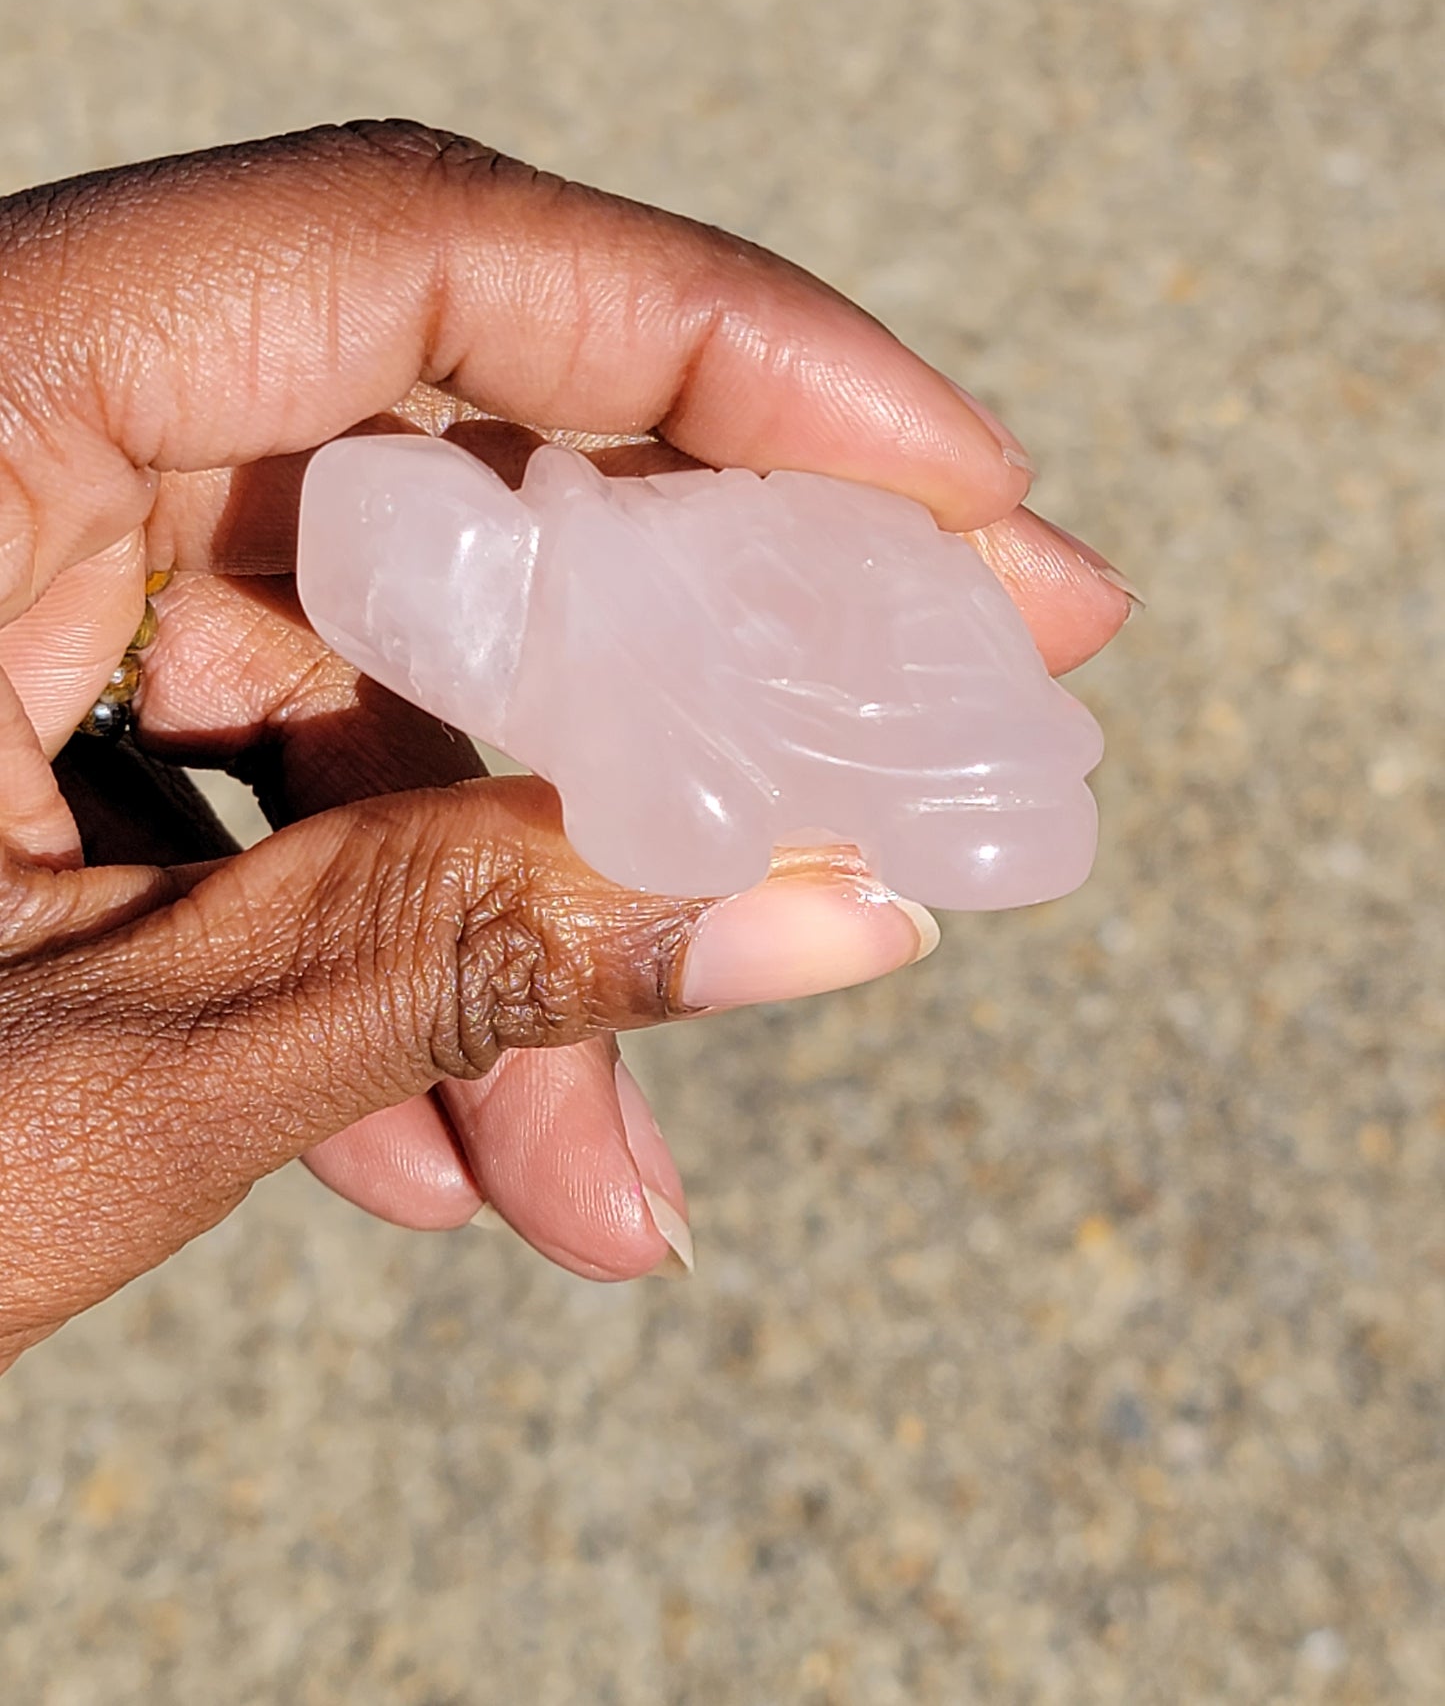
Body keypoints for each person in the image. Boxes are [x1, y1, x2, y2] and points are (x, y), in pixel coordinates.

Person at [0, 121, 1130, 1370]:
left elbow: (677, 806)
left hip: (895, 713)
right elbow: (673, 820)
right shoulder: (583, 610)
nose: (396, 639)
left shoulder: (589, 618)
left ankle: (982, 795)